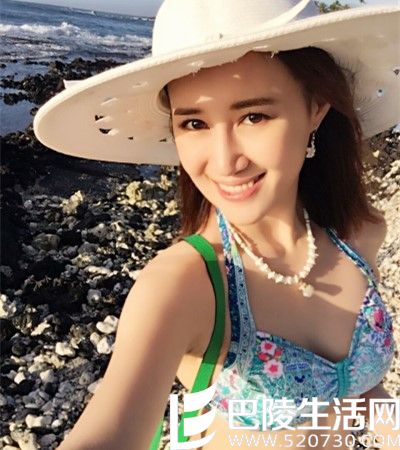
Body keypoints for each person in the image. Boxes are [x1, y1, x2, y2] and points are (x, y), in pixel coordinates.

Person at [33, 1, 399, 449]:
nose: (225, 161)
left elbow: (359, 392)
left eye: (254, 116)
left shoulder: (357, 236)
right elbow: (110, 434)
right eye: (194, 123)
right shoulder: (184, 284)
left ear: (316, 109)